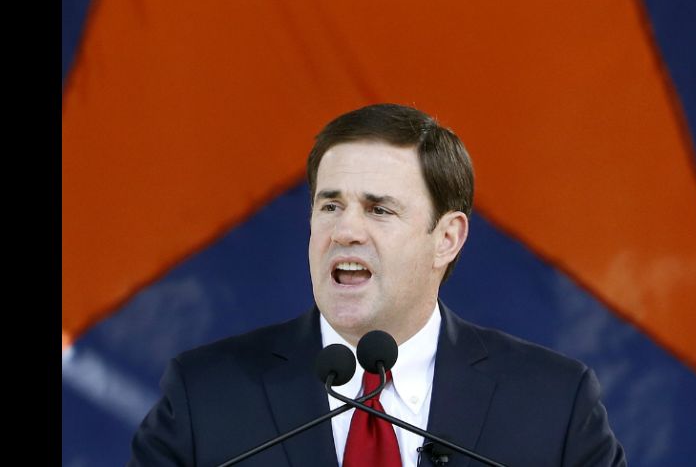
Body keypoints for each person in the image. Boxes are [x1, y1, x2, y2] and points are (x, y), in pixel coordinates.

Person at [129, 103, 626, 466]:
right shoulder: (205, 396)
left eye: (379, 209)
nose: (345, 231)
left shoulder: (554, 405)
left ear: (446, 238)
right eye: (330, 206)